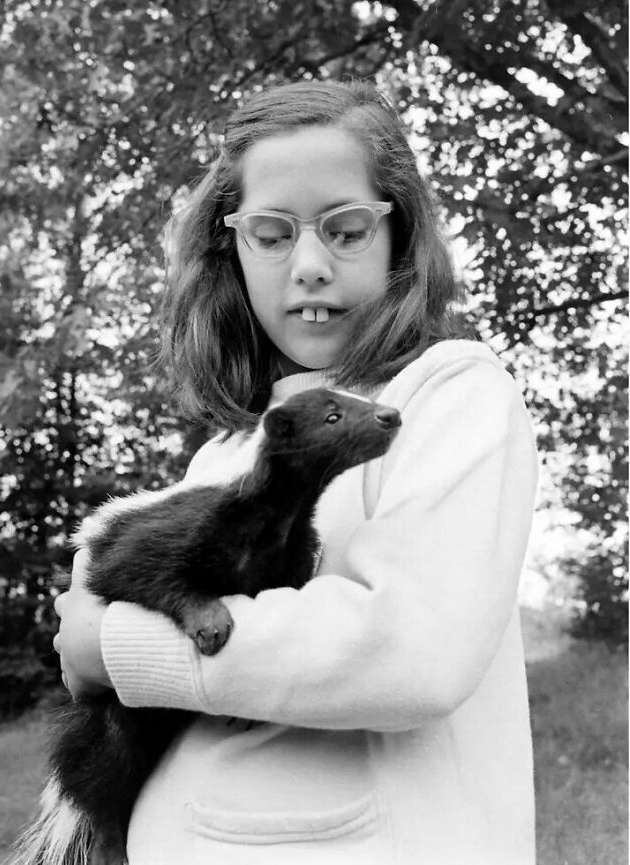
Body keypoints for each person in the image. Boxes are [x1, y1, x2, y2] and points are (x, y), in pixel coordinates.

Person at [54, 79, 539, 864]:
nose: (310, 265)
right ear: (231, 247)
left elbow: (412, 651)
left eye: (346, 230)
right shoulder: (224, 451)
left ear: (399, 235)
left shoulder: (450, 393)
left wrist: (112, 646)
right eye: (272, 234)